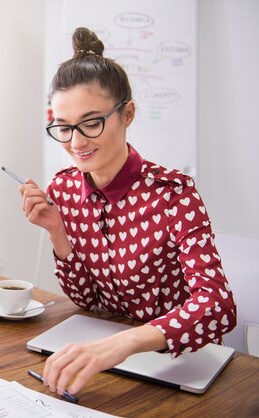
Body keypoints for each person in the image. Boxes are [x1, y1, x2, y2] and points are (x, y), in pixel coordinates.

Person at [19, 27, 236, 397]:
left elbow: (218, 307)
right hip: (106, 361)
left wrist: (125, 343)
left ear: (128, 114)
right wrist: (58, 233)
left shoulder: (173, 194)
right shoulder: (64, 189)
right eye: (64, 127)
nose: (76, 142)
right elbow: (87, 301)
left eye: (91, 123)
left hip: (171, 360)